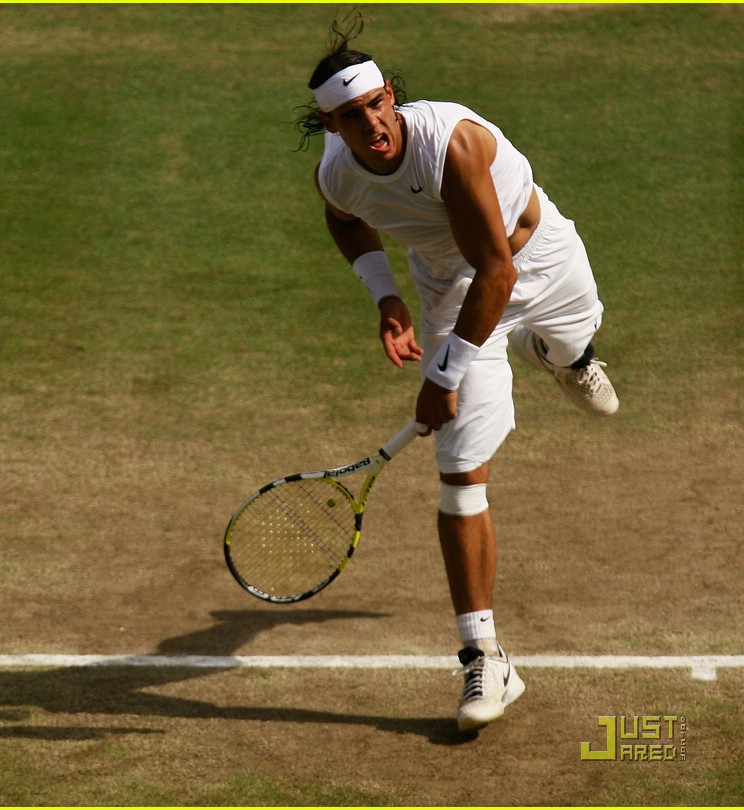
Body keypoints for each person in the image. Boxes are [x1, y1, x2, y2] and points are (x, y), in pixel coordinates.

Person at [296, 18, 618, 733]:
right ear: (330, 125)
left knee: (572, 346)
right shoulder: (337, 173)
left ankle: (562, 357)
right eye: (351, 116)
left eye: (377, 104)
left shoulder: (454, 142)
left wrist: (442, 378)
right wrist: (386, 298)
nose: (371, 124)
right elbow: (345, 220)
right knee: (460, 472)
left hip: (539, 263)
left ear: (391, 96)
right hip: (453, 293)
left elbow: (498, 270)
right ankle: (484, 656)